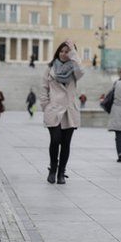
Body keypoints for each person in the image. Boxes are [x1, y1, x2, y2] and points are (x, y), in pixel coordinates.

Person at [40, 39, 84, 184]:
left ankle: (61, 172)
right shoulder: (50, 68)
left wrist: (74, 53)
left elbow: (81, 72)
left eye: (67, 52)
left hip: (69, 111)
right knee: (55, 140)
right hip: (54, 109)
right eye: (62, 51)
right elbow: (44, 88)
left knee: (66, 143)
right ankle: (52, 169)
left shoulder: (75, 69)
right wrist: (45, 106)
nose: (64, 54)